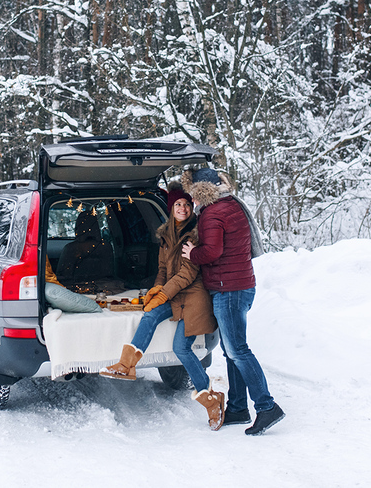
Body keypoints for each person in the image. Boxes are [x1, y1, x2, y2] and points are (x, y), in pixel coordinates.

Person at [100, 182, 225, 430]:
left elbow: (187, 275)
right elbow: (164, 270)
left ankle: (211, 399)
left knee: (182, 349)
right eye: (178, 204)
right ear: (171, 209)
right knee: (150, 314)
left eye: (187, 205)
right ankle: (126, 366)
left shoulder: (194, 236)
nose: (183, 208)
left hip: (193, 297)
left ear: (191, 209)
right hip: (174, 293)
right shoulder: (166, 235)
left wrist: (163, 293)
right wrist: (157, 290)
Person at [181, 167, 284, 436]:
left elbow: (212, 252)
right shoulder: (231, 205)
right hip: (240, 286)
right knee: (231, 351)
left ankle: (266, 406)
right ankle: (238, 408)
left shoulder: (212, 213)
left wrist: (193, 253)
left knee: (238, 350)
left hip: (228, 291)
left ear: (199, 191)